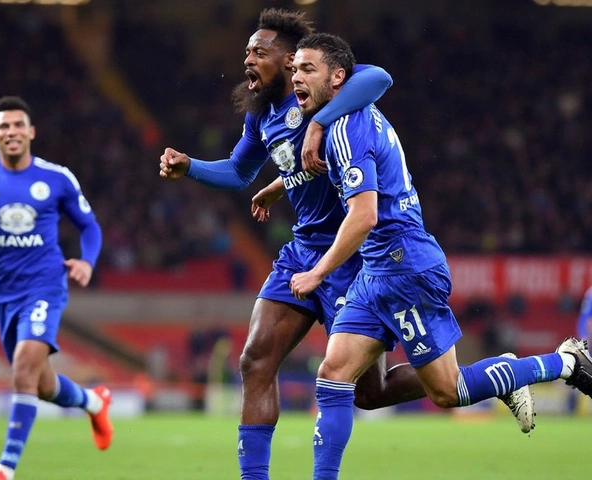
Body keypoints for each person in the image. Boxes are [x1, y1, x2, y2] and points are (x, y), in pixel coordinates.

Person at [160, 9, 531, 480]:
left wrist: (318, 123)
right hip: (302, 250)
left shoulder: (333, 100)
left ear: (292, 58)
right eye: (246, 53)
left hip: (353, 257)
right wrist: (190, 165)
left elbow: (377, 77)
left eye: (259, 52)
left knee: (368, 394)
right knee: (255, 360)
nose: (248, 60)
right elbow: (238, 171)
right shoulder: (264, 117)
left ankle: (490, 374)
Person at [288, 32, 592, 479]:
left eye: (307, 69)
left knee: (449, 392)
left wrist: (318, 271)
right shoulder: (350, 115)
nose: (296, 77)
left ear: (337, 78)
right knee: (334, 373)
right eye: (294, 68)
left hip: (405, 268)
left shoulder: (346, 130)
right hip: (376, 271)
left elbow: (365, 215)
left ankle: (566, 362)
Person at [0, 96, 113, 480]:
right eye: (4, 127)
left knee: (24, 366)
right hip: (1, 295)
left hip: (45, 285)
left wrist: (87, 262)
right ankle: (93, 401)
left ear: (31, 132)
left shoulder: (56, 178)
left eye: (18, 125)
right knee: (39, 384)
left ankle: (4, 470)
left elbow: (89, 227)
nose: (11, 132)